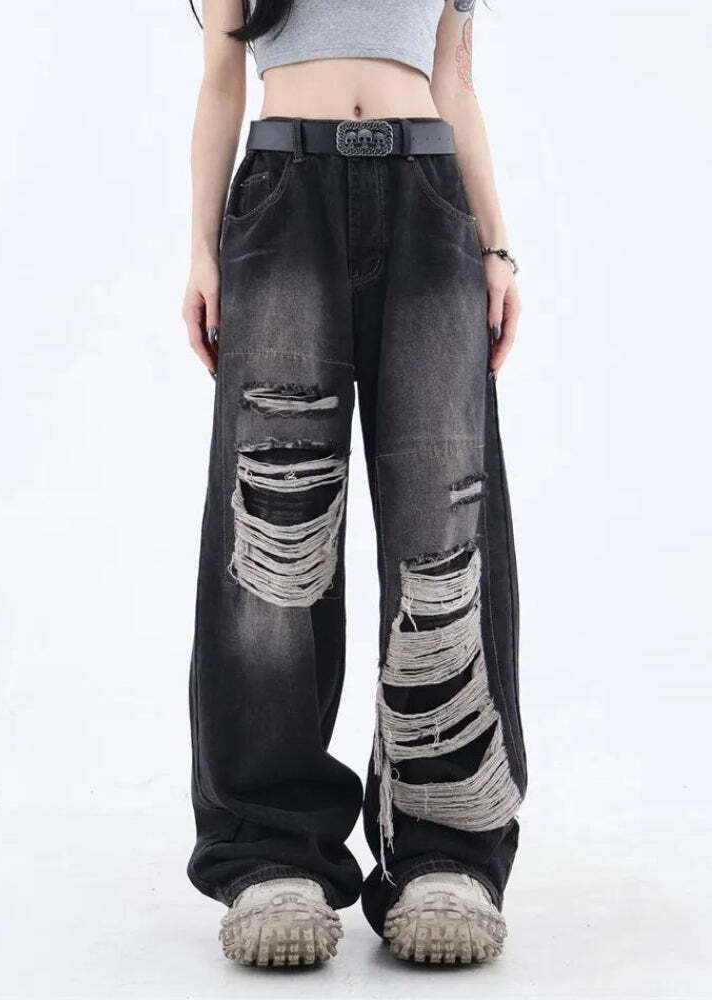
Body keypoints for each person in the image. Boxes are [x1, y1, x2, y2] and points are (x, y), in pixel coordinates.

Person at [182, 0, 526, 967]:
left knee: (443, 522)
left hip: (429, 194)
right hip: (282, 194)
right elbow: (221, 79)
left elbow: (455, 81)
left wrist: (497, 247)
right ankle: (271, 849)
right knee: (274, 534)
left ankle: (446, 850)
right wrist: (202, 248)